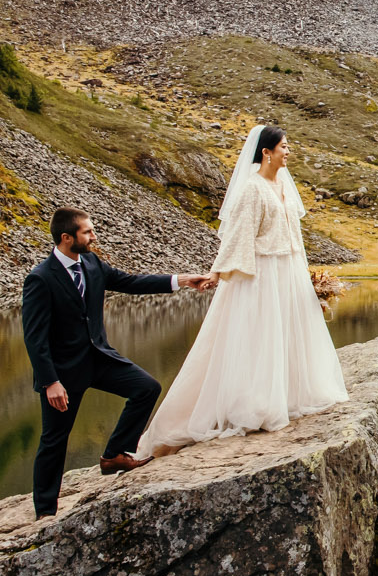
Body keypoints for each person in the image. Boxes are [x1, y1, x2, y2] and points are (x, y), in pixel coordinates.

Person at [140, 124, 348, 452]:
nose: (288, 152)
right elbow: (239, 235)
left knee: (288, 333)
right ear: (266, 152)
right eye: (283, 147)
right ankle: (257, 403)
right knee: (261, 335)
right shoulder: (252, 189)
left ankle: (290, 394)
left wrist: (304, 277)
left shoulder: (283, 186)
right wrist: (218, 273)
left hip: (288, 270)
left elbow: (294, 236)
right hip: (262, 274)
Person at [20, 207, 213, 517]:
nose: (94, 236)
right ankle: (45, 511)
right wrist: (50, 382)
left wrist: (182, 280)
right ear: (67, 238)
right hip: (63, 374)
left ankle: (113, 455)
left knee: (146, 388)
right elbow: (34, 338)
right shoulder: (40, 279)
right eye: (87, 232)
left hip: (99, 358)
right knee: (54, 440)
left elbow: (131, 282)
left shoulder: (92, 263)